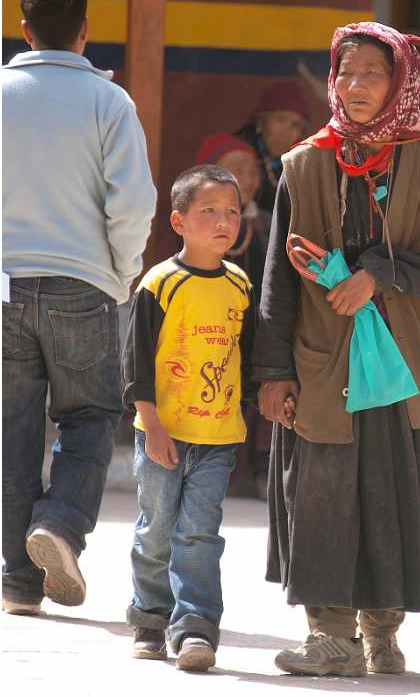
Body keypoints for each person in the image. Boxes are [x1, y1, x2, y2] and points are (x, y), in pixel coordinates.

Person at [252, 22, 420, 677]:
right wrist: (273, 372)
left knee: (393, 498)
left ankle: (381, 632)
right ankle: (329, 636)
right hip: (325, 366)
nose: (354, 87)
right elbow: (278, 280)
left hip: (408, 371)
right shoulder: (304, 165)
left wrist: (382, 273)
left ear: (401, 82)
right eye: (345, 73)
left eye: (371, 75)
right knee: (320, 497)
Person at [2, 0, 156, 615]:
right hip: (84, 284)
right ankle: (60, 525)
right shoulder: (109, 103)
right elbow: (134, 205)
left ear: (23, 26)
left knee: (11, 431)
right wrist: (122, 276)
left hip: (5, 286)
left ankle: (17, 582)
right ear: (86, 31)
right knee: (90, 417)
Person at [122, 165, 255, 671]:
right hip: (162, 433)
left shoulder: (240, 285)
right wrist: (151, 423)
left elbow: (249, 357)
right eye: (209, 212)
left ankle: (197, 628)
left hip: (218, 435)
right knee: (157, 528)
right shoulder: (160, 283)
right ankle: (150, 620)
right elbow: (135, 362)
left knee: (200, 531)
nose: (224, 221)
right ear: (178, 221)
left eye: (232, 212)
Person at [195, 133, 273, 498]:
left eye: (251, 169)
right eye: (235, 169)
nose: (248, 178)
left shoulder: (269, 224)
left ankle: (257, 469)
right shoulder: (193, 230)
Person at [236, 80, 310, 211]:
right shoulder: (238, 153)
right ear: (261, 122)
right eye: (280, 120)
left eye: (295, 125)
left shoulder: (299, 161)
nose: (286, 131)